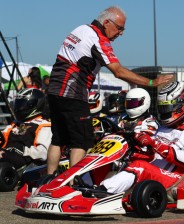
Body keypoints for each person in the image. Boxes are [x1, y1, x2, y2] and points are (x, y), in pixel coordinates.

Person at [46, 6, 173, 175]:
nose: (121, 33)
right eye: (119, 28)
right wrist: (151, 82)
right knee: (81, 142)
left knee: (58, 139)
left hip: (54, 91)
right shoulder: (99, 39)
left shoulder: (80, 29)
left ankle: (48, 181)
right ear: (106, 22)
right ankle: (71, 186)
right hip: (74, 94)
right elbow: (118, 71)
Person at [99, 81, 184, 193]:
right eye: (162, 108)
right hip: (154, 173)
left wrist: (154, 144)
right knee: (111, 159)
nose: (164, 112)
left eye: (167, 107)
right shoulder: (163, 127)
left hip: (175, 179)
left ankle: (101, 192)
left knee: (139, 166)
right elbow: (153, 156)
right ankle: (85, 187)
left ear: (183, 103)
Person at [0, 89, 51, 170]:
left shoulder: (44, 125)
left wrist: (22, 150)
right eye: (18, 104)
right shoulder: (15, 123)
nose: (19, 107)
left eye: (22, 104)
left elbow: (43, 154)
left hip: (25, 162)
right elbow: (2, 137)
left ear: (33, 104)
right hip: (6, 156)